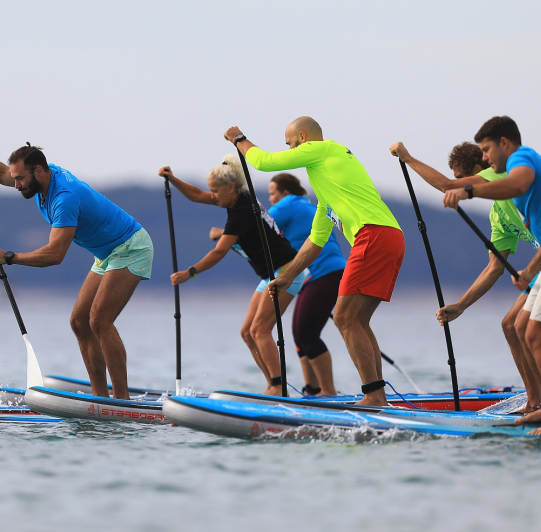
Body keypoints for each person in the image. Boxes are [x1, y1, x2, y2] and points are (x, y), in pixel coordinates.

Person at [0, 126, 151, 400]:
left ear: (39, 172)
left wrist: (10, 257)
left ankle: (121, 400)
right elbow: (1, 173)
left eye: (20, 179)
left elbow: (55, 255)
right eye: (15, 179)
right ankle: (101, 398)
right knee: (79, 322)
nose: (15, 185)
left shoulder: (64, 198)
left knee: (99, 320)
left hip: (131, 247)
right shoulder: (42, 172)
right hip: (107, 253)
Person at [226, 117, 405, 406]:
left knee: (345, 317)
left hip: (372, 236)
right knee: (358, 319)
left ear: (303, 137)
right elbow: (314, 242)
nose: (290, 150)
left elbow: (264, 161)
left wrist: (239, 139)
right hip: (389, 237)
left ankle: (373, 395)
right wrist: (287, 276)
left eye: (290, 144)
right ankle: (378, 396)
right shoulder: (326, 189)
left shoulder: (322, 149)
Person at [443, 116, 541, 436]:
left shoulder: (522, 158)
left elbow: (515, 184)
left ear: (504, 143)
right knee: (519, 326)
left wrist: (466, 190)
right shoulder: (511, 191)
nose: (484, 157)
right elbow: (504, 257)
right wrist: (461, 305)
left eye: (487, 150)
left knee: (536, 336)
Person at [390, 141, 541, 413]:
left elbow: (446, 187)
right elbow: (494, 267)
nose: (460, 186)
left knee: (519, 326)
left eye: (461, 178)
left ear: (478, 170)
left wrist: (409, 158)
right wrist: (460, 305)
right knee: (510, 325)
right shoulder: (498, 213)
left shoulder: (496, 176)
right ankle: (536, 400)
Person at [160, 157, 307, 397]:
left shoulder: (242, 211)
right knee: (247, 333)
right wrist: (173, 179)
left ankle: (279, 389)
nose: (213, 196)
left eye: (216, 191)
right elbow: (197, 194)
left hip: (287, 271)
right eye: (212, 191)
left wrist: (190, 273)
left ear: (230, 187)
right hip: (269, 273)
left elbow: (220, 251)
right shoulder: (233, 198)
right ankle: (273, 385)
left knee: (260, 330)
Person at [267, 173, 347, 396]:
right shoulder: (306, 204)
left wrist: (223, 236)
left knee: (307, 332)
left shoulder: (289, 204)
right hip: (318, 276)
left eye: (272, 194)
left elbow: (257, 226)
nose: (270, 199)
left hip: (327, 272)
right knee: (299, 334)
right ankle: (312, 389)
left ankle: (328, 391)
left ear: (285, 193)